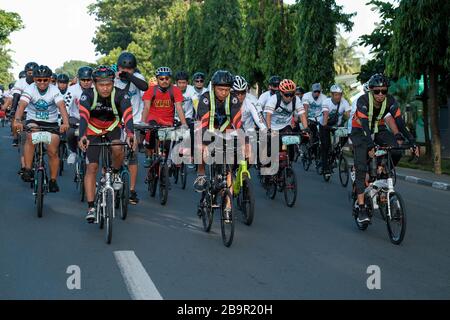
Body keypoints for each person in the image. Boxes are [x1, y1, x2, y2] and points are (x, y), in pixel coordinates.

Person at [351, 74, 418, 223]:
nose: (380, 94)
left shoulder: (390, 100)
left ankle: (382, 168)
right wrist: (370, 145)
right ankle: (361, 208)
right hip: (360, 131)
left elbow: (399, 123)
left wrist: (412, 141)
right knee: (361, 168)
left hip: (378, 128)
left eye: (384, 91)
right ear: (371, 91)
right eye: (377, 91)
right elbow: (364, 127)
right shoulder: (363, 101)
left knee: (395, 148)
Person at [77, 66, 136, 223]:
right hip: (92, 130)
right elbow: (83, 116)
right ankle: (91, 207)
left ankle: (115, 173)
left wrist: (130, 134)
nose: (105, 88)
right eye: (101, 84)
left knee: (118, 147)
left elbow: (128, 115)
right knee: (92, 167)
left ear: (113, 82)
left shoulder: (121, 95)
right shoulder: (87, 95)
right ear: (95, 83)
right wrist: (82, 135)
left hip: (112, 127)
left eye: (108, 84)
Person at [14, 65, 70, 192]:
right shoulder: (30, 89)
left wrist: (65, 123)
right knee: (31, 136)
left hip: (51, 123)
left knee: (52, 150)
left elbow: (62, 107)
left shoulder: (54, 90)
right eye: (39, 80)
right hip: (34, 120)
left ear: (50, 80)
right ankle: (28, 169)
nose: (42, 83)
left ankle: (53, 180)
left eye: (45, 80)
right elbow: (21, 105)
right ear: (34, 79)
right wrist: (17, 120)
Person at [194, 70, 243, 193]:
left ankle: (226, 179)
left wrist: (245, 141)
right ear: (214, 87)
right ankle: (201, 174)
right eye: (220, 89)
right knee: (201, 147)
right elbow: (203, 122)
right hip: (206, 128)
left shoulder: (233, 99)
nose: (224, 93)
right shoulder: (205, 98)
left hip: (223, 130)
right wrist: (203, 144)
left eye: (227, 90)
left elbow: (237, 120)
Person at [114, 52, 149, 205]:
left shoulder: (137, 78)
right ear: (118, 67)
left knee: (133, 155)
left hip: (133, 121)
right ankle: (112, 177)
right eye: (122, 68)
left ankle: (132, 190)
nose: (125, 71)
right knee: (115, 151)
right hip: (116, 121)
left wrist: (130, 77)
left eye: (129, 69)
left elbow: (145, 87)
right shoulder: (113, 79)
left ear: (134, 69)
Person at [141, 67, 188, 167]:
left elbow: (179, 108)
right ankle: (149, 156)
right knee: (150, 133)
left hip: (168, 121)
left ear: (170, 79)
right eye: (161, 79)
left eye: (167, 78)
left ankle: (165, 165)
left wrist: (184, 124)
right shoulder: (151, 90)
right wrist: (143, 122)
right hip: (153, 119)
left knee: (167, 144)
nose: (164, 81)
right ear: (157, 79)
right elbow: (146, 107)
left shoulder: (175, 90)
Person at [264, 79, 309, 162]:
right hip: (272, 127)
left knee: (291, 148)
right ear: (281, 93)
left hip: (285, 126)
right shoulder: (274, 99)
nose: (289, 97)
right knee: (271, 150)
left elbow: (302, 115)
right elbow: (268, 115)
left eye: (292, 94)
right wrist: (269, 129)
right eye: (286, 95)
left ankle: (288, 164)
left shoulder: (296, 100)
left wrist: (305, 129)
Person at [64, 66, 94, 164]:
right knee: (70, 132)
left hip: (91, 118)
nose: (86, 82)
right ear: (79, 79)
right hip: (75, 117)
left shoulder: (96, 89)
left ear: (92, 79)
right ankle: (73, 152)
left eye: (88, 80)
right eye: (83, 80)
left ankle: (89, 154)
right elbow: (66, 105)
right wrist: (63, 120)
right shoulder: (72, 89)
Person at [320, 84, 351, 175]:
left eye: (340, 94)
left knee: (347, 135)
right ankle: (325, 167)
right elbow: (325, 115)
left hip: (336, 125)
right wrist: (326, 125)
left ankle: (336, 151)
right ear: (332, 95)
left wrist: (352, 126)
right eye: (336, 94)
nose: (338, 97)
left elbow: (349, 115)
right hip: (325, 125)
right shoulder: (326, 102)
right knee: (326, 146)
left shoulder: (344, 102)